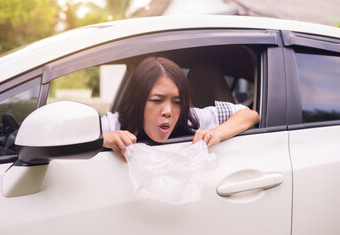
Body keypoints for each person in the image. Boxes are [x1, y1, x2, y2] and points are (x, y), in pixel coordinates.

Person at [101, 57, 260, 162]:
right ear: (138, 100)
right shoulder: (113, 125)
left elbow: (249, 115)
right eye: (157, 100)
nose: (168, 111)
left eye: (177, 102)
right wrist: (102, 138)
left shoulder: (191, 119)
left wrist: (216, 132)